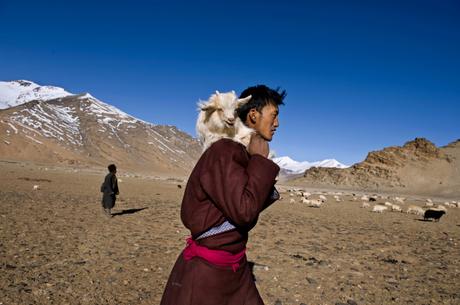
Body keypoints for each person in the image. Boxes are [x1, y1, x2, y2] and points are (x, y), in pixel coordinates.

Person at [160, 85, 286, 305]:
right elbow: (244, 211)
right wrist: (259, 162)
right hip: (209, 275)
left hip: (234, 268)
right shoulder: (224, 151)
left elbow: (244, 205)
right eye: (274, 115)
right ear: (253, 115)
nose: (277, 124)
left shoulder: (238, 153)